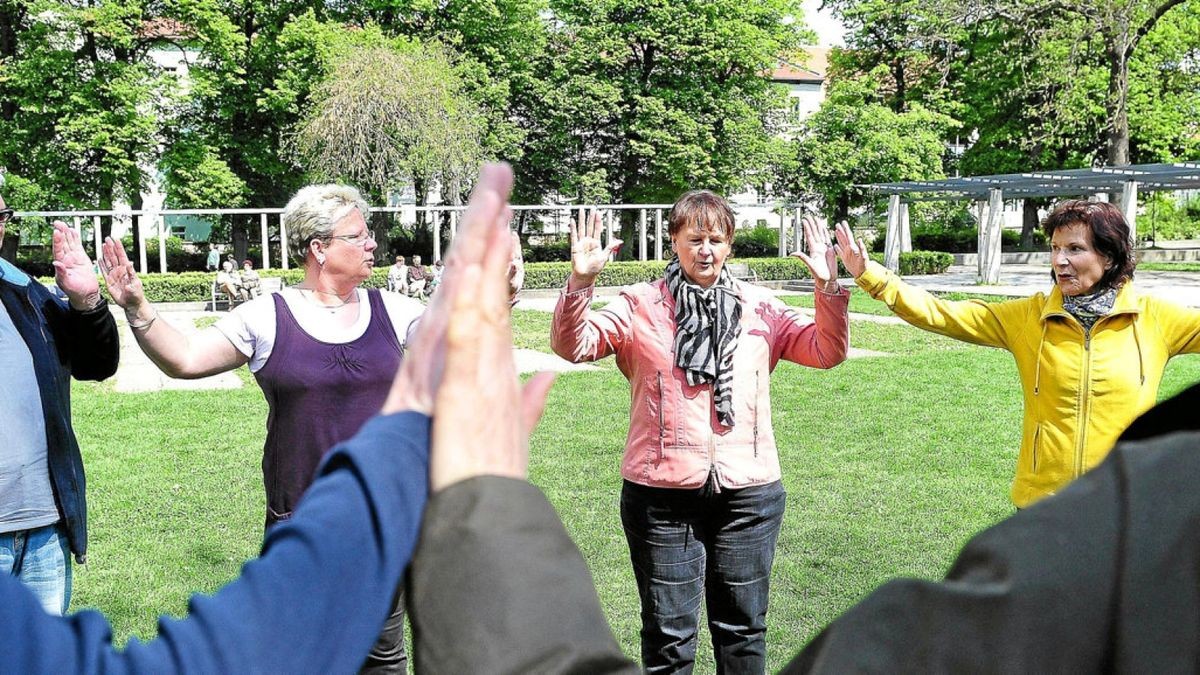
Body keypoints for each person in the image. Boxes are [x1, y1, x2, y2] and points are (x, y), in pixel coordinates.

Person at [0, 162, 578, 673]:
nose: (373, 244)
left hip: (385, 516)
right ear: (318, 247)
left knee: (382, 655)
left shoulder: (395, 311)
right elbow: (186, 359)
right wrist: (137, 306)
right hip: (300, 518)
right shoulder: (268, 316)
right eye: (358, 235)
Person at [550, 192, 850, 673]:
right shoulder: (640, 305)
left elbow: (825, 351)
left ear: (730, 244)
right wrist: (580, 283)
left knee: (743, 632)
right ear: (674, 241)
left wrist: (828, 287)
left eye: (716, 239)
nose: (705, 250)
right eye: (694, 239)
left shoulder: (760, 307)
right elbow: (575, 345)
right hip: (661, 494)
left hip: (748, 493)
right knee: (669, 636)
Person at [835, 199, 1200, 508]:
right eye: (1055, 249)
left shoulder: (1154, 319)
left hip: (1129, 502)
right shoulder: (1029, 317)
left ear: (1108, 257)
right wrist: (872, 276)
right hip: (1046, 503)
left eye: (1074, 249)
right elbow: (942, 314)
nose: (1059, 260)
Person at [0, 184, 119, 617]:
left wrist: (86, 301)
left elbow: (96, 364)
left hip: (42, 528)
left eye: (1, 216)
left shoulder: (24, 292)